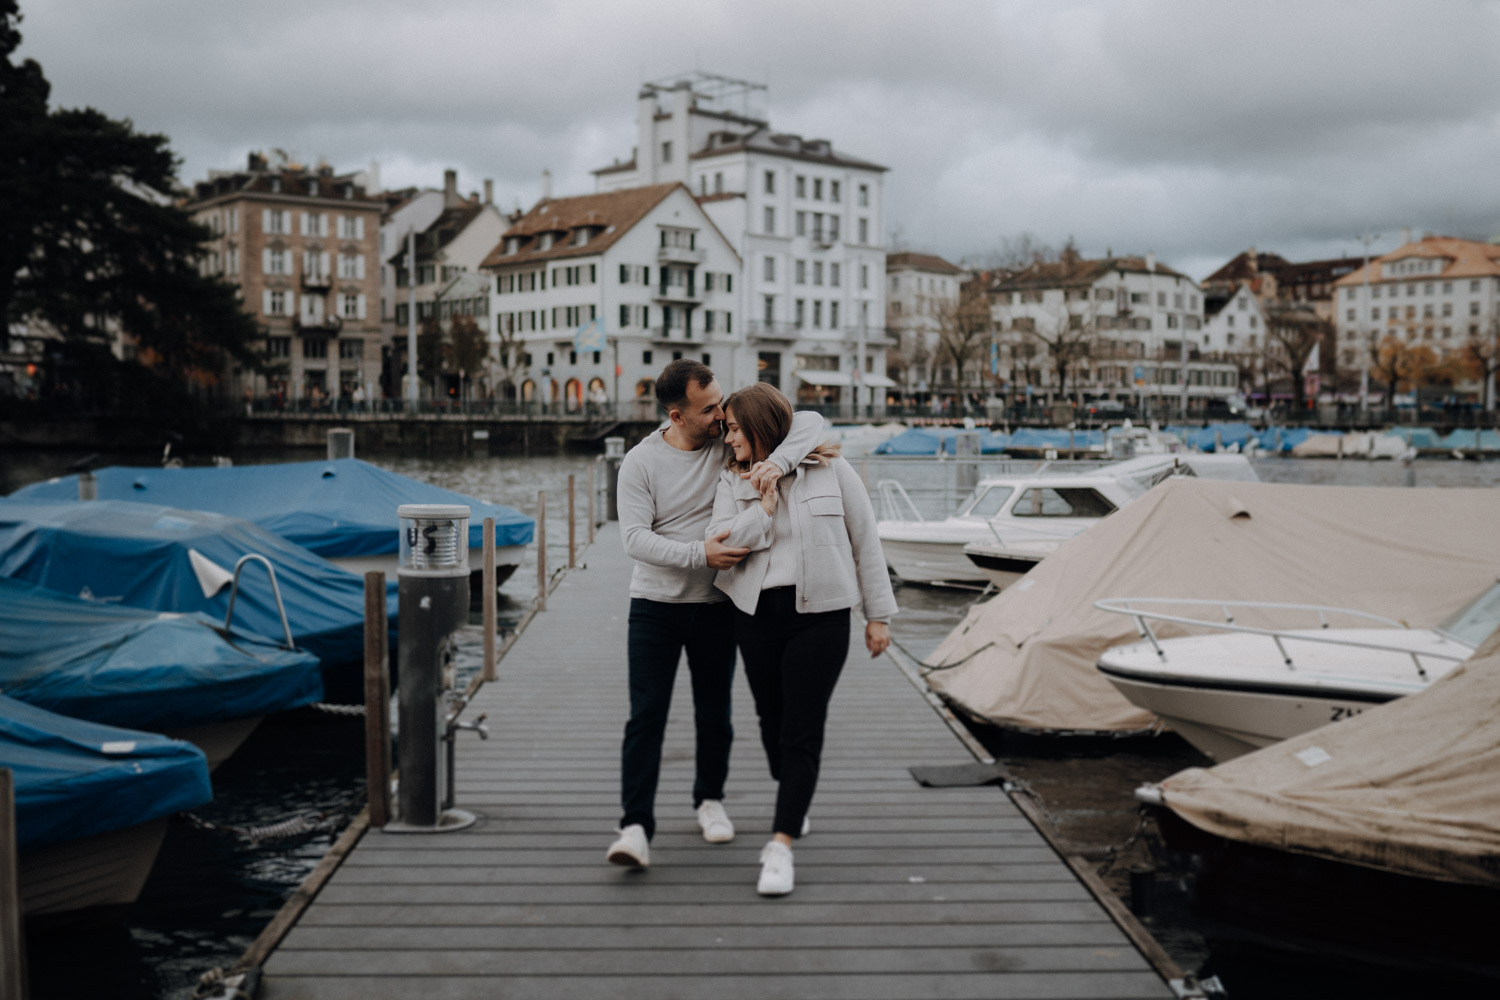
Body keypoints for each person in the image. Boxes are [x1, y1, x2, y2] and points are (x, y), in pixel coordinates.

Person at [608, 361, 825, 869]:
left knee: (715, 714)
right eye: (709, 409)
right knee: (646, 716)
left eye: (721, 402)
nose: (722, 415)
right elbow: (633, 540)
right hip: (655, 606)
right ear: (676, 414)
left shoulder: (725, 443)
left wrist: (778, 463)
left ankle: (710, 801)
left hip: (716, 605)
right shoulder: (640, 463)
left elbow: (810, 422)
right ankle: (635, 826)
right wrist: (698, 555)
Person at [706, 382, 897, 896]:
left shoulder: (833, 471)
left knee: (801, 729)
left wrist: (877, 615)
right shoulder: (733, 481)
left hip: (823, 616)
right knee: (772, 721)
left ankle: (780, 844)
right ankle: (795, 792)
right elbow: (724, 544)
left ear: (760, 427)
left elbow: (866, 542)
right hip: (755, 615)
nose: (728, 439)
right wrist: (762, 510)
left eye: (735, 429)